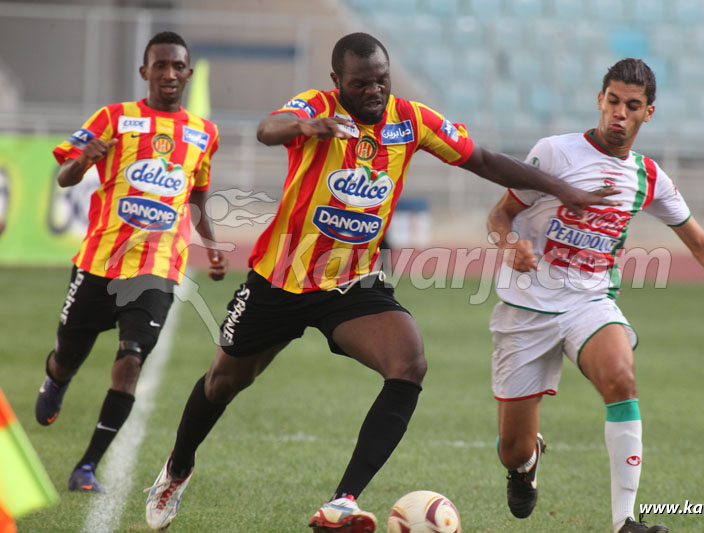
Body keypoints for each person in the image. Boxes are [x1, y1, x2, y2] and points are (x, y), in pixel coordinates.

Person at [143, 32, 620, 532]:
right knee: (224, 382)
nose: (374, 91)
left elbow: (481, 159)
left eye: (382, 80)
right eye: (361, 83)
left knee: (409, 363)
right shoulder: (316, 107)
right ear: (337, 82)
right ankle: (177, 468)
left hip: (352, 283)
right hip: (279, 280)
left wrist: (565, 189)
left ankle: (343, 501)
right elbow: (268, 129)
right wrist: (307, 126)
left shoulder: (410, 119)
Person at [486, 58, 704, 533]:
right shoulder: (554, 153)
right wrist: (510, 245)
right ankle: (526, 464)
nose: (619, 115)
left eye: (632, 106)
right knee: (512, 448)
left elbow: (700, 243)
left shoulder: (648, 177)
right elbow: (500, 214)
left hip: (590, 303)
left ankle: (625, 521)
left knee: (621, 379)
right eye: (612, 102)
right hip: (526, 308)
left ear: (649, 112)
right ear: (599, 100)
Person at [35, 31, 227, 493]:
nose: (168, 74)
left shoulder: (203, 133)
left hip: (157, 267)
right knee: (66, 357)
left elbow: (197, 191)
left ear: (188, 73)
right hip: (100, 263)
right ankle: (57, 381)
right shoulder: (114, 118)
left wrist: (211, 242)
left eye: (177, 66)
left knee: (131, 360)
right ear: (144, 72)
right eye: (159, 65)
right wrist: (83, 161)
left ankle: (87, 466)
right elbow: (64, 177)